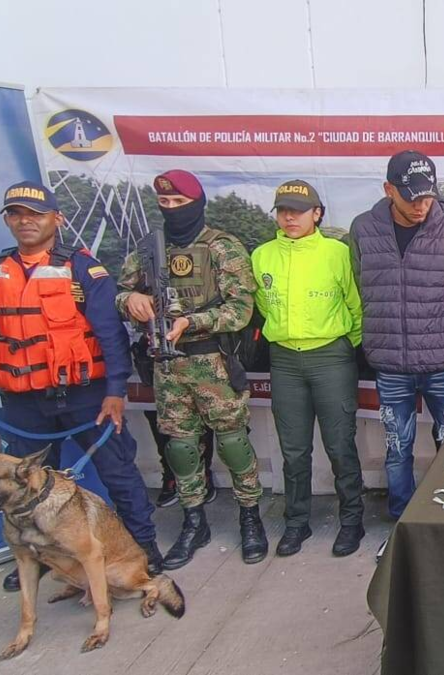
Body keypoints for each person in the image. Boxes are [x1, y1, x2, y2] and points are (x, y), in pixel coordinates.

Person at [0, 181, 161, 591]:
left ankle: (145, 545)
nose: (25, 221)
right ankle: (37, 557)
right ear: (8, 221)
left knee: (118, 472)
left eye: (35, 214)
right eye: (16, 214)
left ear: (57, 219)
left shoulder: (84, 270)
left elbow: (110, 336)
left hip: (86, 396)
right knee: (23, 489)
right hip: (22, 401)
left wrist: (115, 391)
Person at [116, 170, 268, 569]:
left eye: (179, 203)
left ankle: (250, 517)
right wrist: (130, 300)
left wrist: (192, 321)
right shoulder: (149, 249)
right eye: (164, 203)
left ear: (197, 204)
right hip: (167, 366)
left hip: (212, 362)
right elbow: (120, 291)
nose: (171, 209)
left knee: (233, 443)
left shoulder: (222, 247)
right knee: (181, 448)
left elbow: (241, 310)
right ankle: (194, 521)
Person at [348, 150, 444, 520]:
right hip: (390, 363)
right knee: (397, 446)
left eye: (427, 196)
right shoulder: (363, 228)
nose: (421, 205)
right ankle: (402, 521)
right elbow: (362, 284)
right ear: (389, 189)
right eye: (411, 197)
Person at [251, 180, 366, 557]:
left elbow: (356, 306)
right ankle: (296, 522)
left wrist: (343, 346)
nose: (289, 217)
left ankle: (352, 520)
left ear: (316, 213)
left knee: (339, 445)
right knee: (294, 451)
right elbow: (263, 307)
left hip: (330, 357)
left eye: (298, 211)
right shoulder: (262, 256)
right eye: (283, 211)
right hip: (284, 360)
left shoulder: (337, 252)